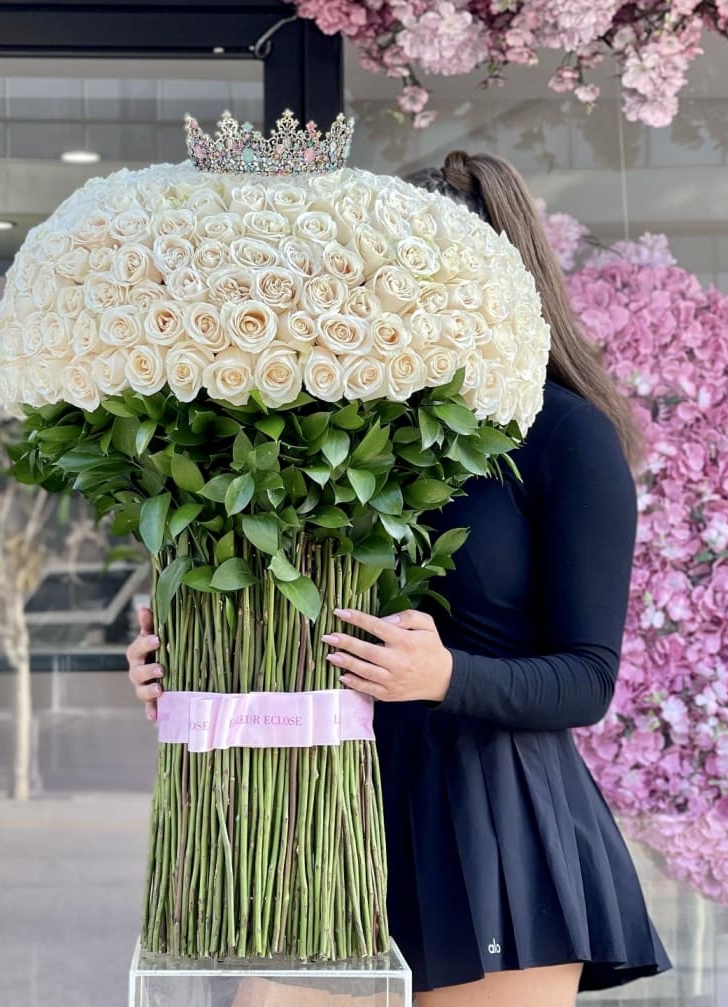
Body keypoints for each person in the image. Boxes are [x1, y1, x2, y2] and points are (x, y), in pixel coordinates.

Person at [127, 150, 672, 1006]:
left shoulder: (565, 437)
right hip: (317, 815)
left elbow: (586, 677)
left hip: (493, 834)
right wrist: (191, 658)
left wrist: (442, 674)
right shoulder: (314, 428)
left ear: (497, 275)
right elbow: (279, 610)